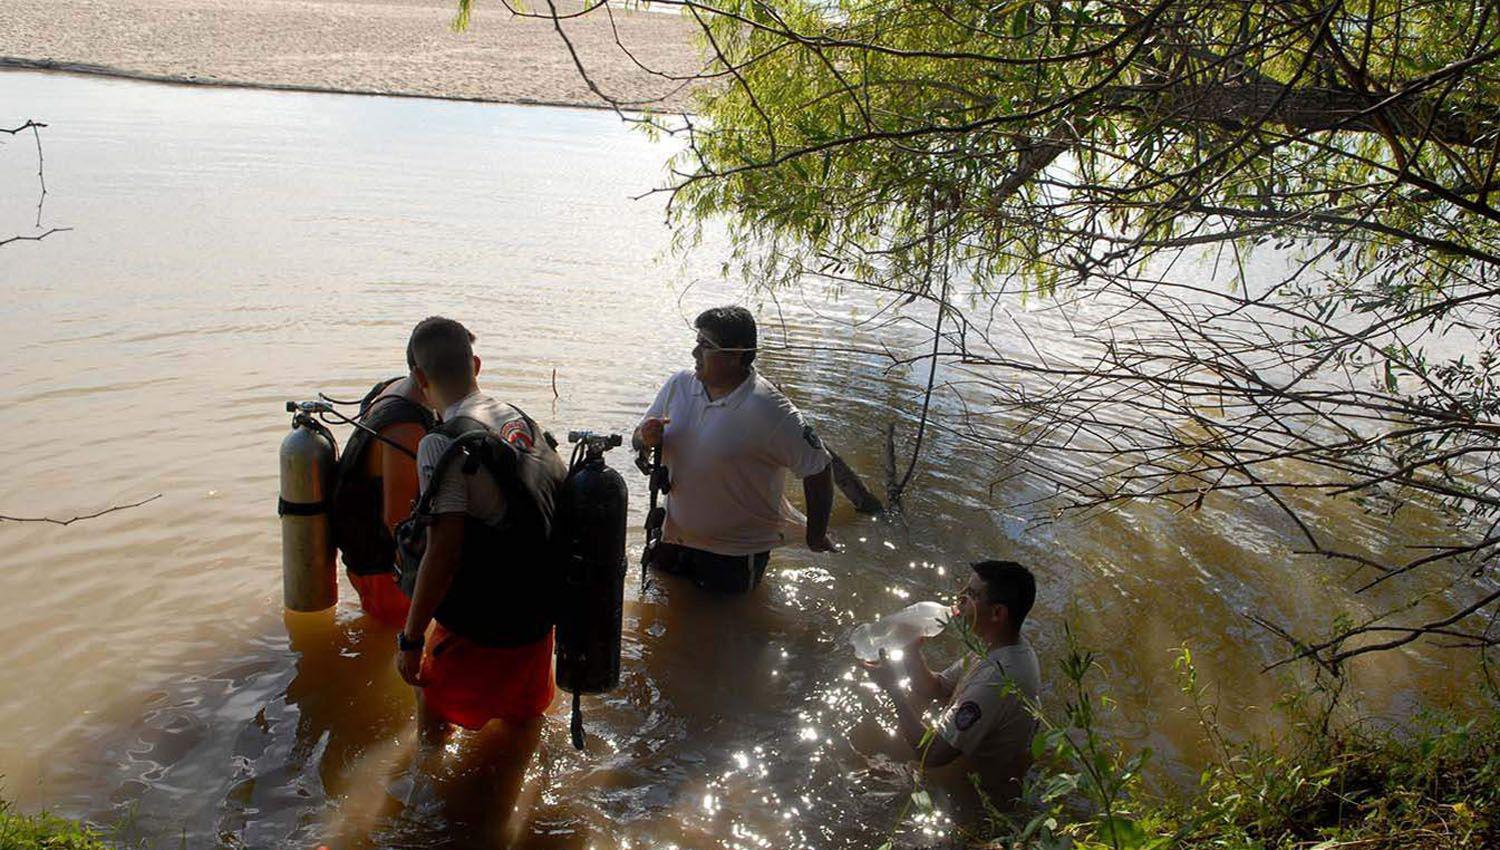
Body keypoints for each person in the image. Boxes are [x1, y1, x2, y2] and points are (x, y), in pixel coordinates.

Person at [394, 316, 567, 742]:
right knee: (523, 726)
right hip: (537, 618)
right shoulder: (516, 417)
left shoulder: (441, 444)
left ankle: (424, 801)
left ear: (419, 378)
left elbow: (444, 551)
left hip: (486, 626)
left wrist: (411, 640)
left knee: (432, 716)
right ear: (476, 363)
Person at [633, 306, 838, 593]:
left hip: (735, 557)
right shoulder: (679, 386)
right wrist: (646, 437)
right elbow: (638, 439)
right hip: (671, 540)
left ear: (735, 354)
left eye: (706, 345)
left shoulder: (771, 410)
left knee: (727, 628)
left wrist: (815, 536)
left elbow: (818, 466)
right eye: (697, 342)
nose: (695, 353)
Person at [866, 560, 1041, 807]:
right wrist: (911, 648)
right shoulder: (998, 645)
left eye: (972, 594)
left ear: (997, 613)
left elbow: (933, 755)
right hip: (976, 761)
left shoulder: (998, 677)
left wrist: (893, 689)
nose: (960, 598)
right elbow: (936, 688)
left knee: (868, 775)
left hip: (983, 794)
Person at [330, 365, 436, 629]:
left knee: (379, 636)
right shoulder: (406, 430)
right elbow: (398, 524)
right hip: (384, 571)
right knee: (390, 647)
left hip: (364, 556)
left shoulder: (394, 389)